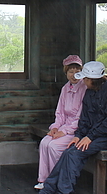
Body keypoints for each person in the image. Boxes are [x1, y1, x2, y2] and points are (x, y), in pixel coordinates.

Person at [39, 61, 107, 194]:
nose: (83, 81)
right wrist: (78, 136)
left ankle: (64, 191)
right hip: (91, 135)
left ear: (93, 80)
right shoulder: (90, 92)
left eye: (85, 78)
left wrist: (89, 137)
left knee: (74, 154)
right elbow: (84, 119)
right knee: (68, 151)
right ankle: (49, 188)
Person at [35, 55, 87, 190]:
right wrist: (55, 127)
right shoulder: (65, 88)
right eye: (71, 71)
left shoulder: (84, 89)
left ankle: (56, 181)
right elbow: (60, 112)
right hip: (63, 126)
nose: (74, 75)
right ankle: (44, 180)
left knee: (54, 147)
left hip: (76, 130)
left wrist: (64, 131)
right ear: (66, 73)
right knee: (44, 143)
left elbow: (81, 117)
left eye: (77, 71)